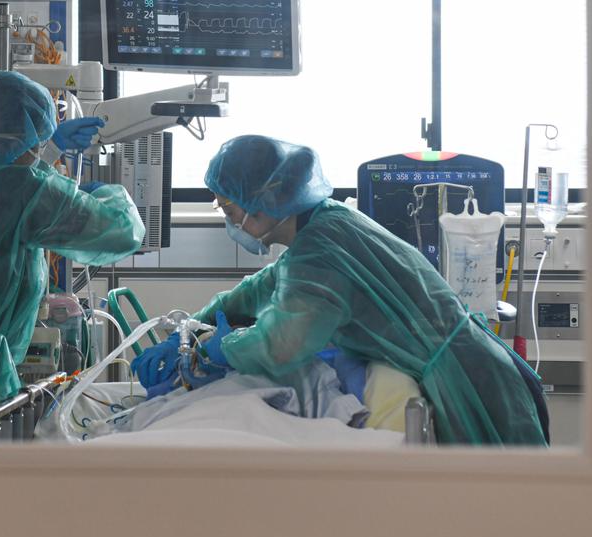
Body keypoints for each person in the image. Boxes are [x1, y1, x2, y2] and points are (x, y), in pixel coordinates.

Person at [133, 134, 547, 446]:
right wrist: (194, 325)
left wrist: (212, 351)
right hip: (469, 366)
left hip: (467, 385)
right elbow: (263, 287)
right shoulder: (323, 226)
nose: (228, 219)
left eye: (228, 208)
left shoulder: (320, 254)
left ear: (263, 204)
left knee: (499, 523)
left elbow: (279, 345)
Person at [0, 71, 145, 405]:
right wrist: (109, 193)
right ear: (27, 137)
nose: (40, 147)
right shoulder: (27, 192)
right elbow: (120, 233)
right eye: (38, 139)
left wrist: (52, 148)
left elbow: (9, 175)